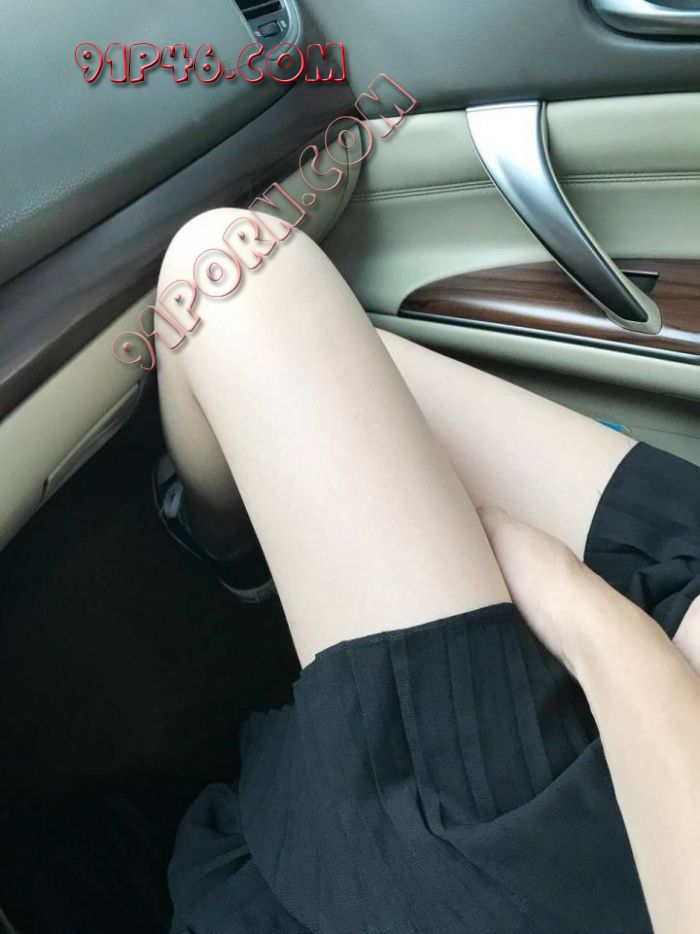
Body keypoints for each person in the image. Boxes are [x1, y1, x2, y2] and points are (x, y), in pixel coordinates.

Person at [152, 208, 700, 934]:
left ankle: (233, 540)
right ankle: (246, 535)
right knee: (327, 359)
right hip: (679, 616)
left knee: (226, 274)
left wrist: (581, 611)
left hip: (587, 856)